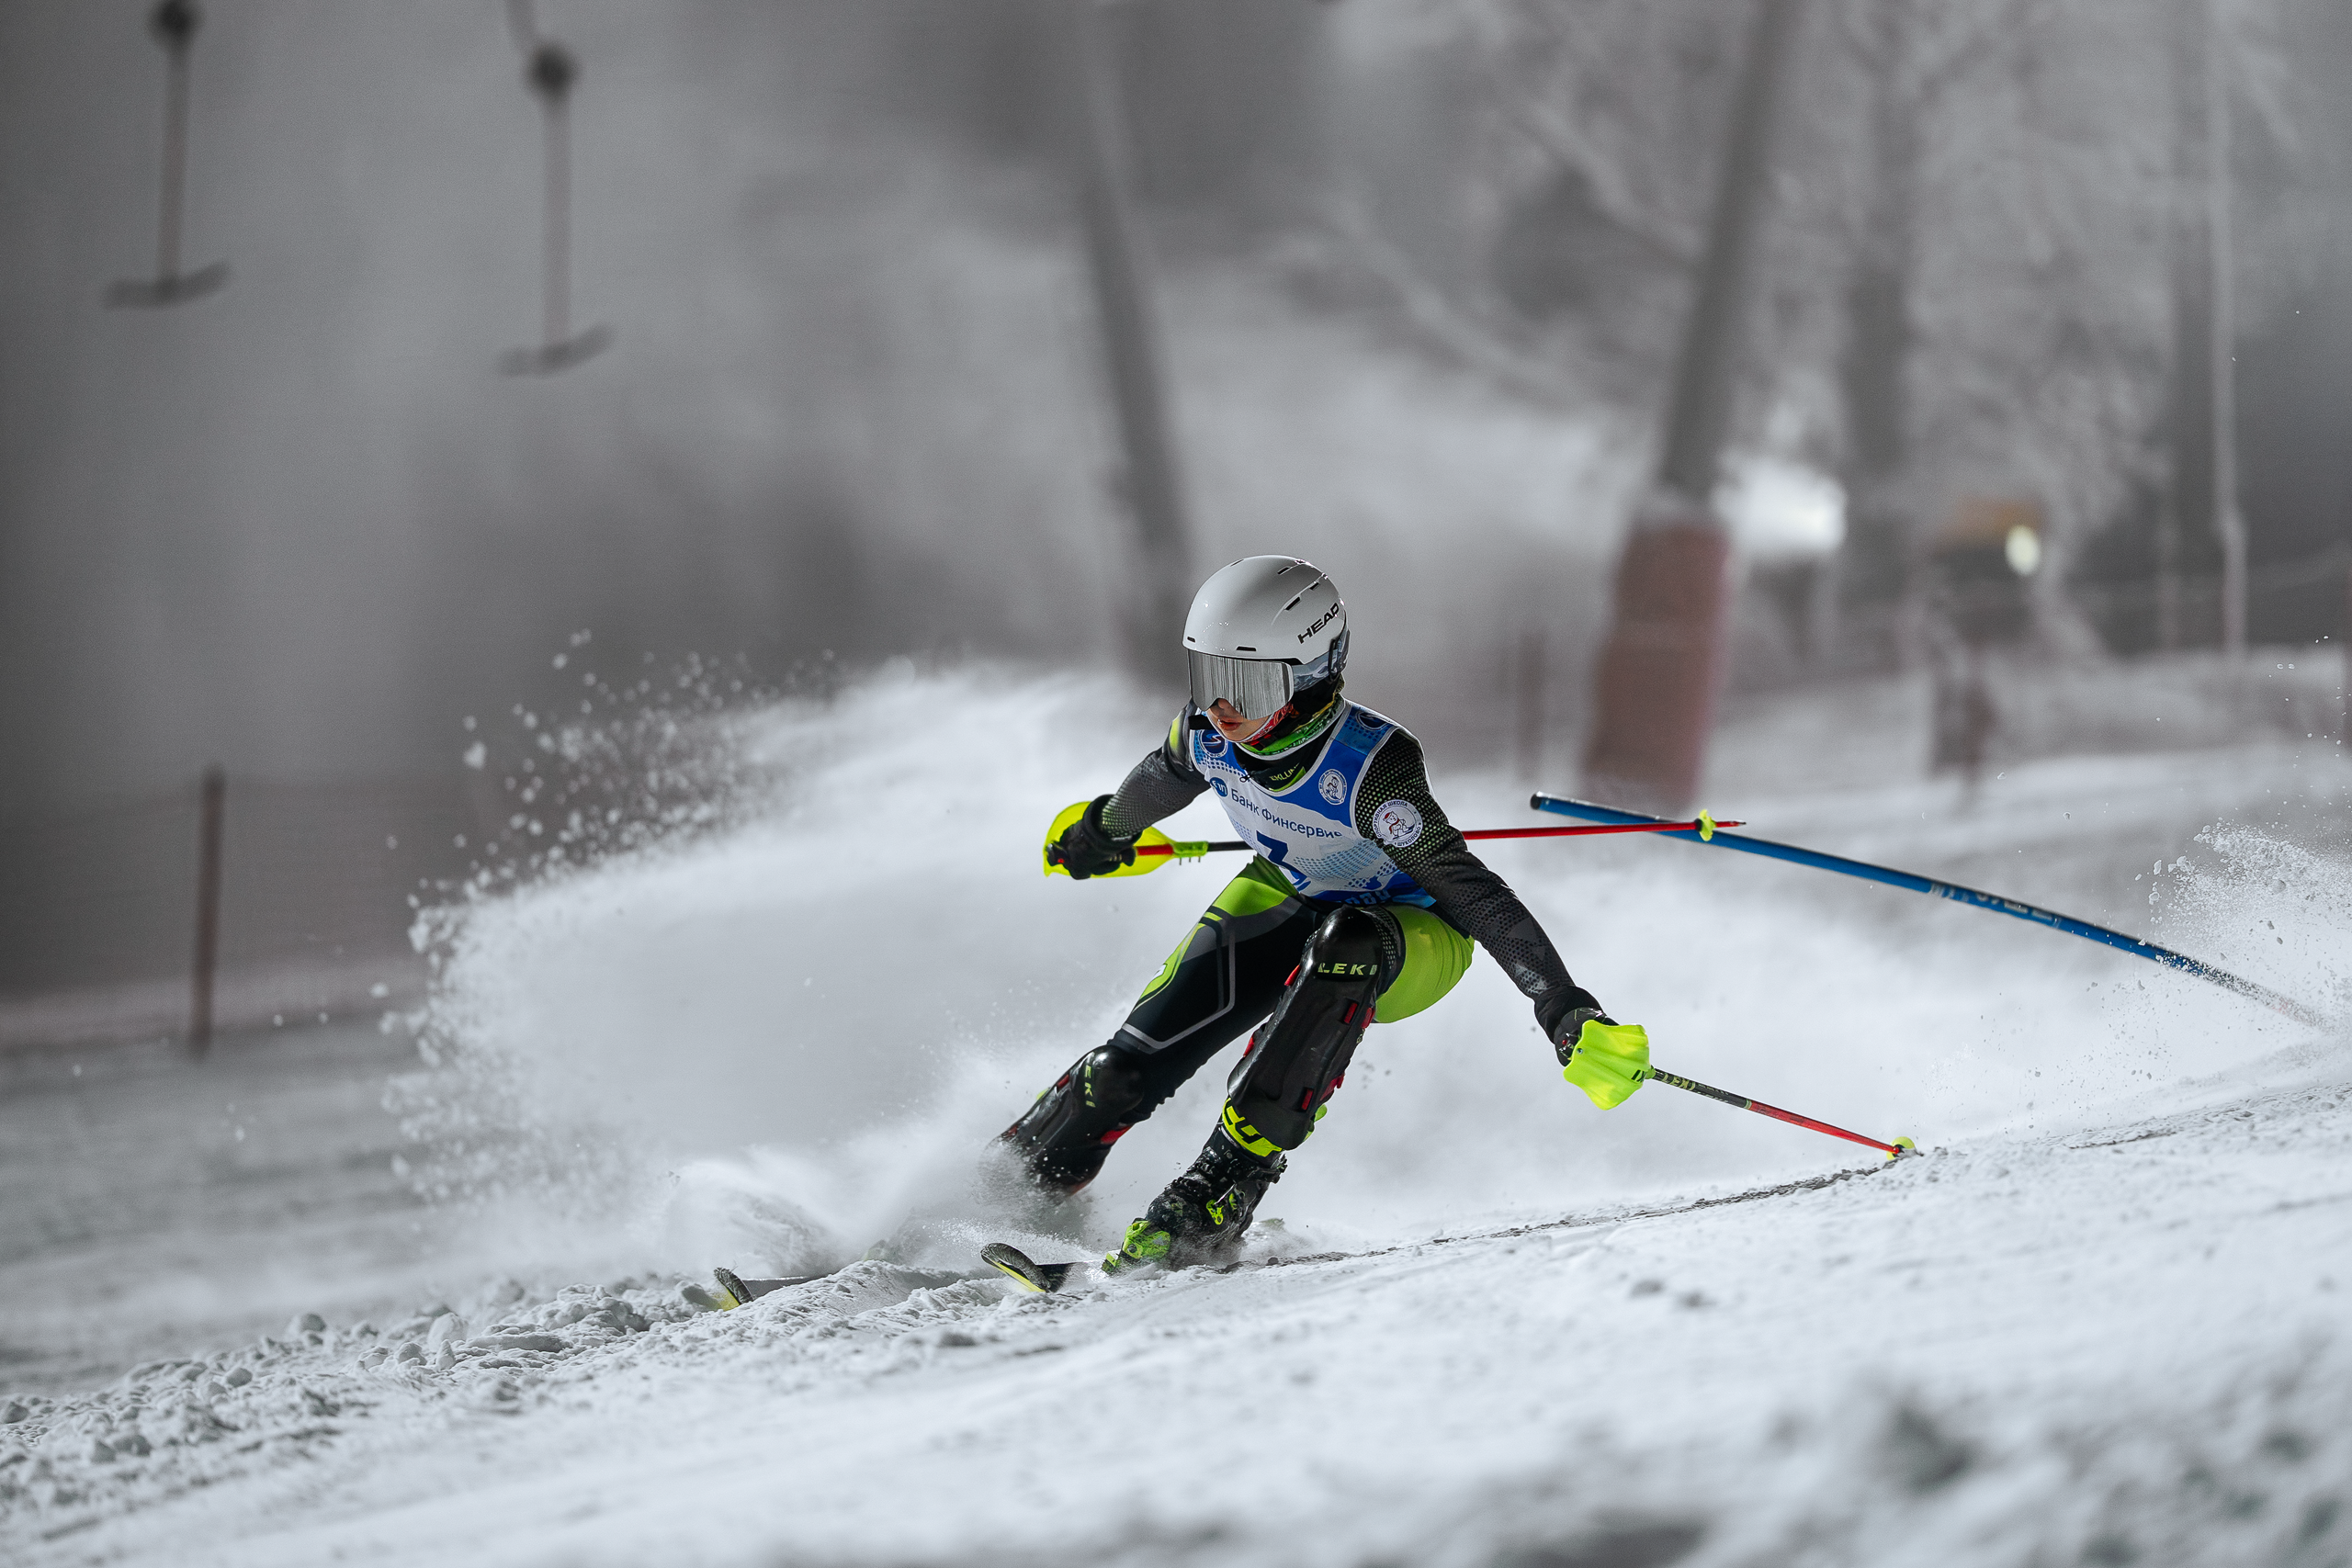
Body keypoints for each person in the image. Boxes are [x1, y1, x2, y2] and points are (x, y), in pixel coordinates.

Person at [1000, 555, 1647, 1275]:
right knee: (1120, 1073)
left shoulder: (1373, 768)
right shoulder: (1207, 731)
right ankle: (1010, 1183)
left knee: (1348, 944)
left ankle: (1216, 1193)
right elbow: (1165, 777)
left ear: (1313, 670)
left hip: (1413, 929)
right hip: (1289, 890)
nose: (1223, 707)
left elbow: (1474, 892)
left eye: (1246, 683)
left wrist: (1561, 1004)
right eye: (1210, 675)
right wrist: (1107, 828)